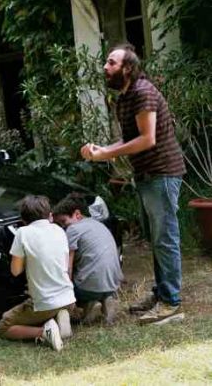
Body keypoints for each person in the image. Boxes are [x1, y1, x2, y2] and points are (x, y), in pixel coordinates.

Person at [81, 43, 186, 325]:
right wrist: (100, 151)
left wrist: (107, 154)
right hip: (146, 176)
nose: (105, 67)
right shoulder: (124, 98)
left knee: (165, 239)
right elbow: (130, 140)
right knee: (156, 239)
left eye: (111, 62)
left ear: (127, 68)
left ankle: (171, 303)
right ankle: (162, 293)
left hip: (163, 173)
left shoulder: (142, 92)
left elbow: (147, 139)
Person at [0, 195, 75, 352]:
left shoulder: (23, 233)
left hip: (45, 303)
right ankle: (60, 317)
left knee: (4, 326)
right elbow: (65, 265)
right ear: (50, 215)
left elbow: (15, 270)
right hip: (69, 299)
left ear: (23, 220)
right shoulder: (59, 230)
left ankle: (45, 332)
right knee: (49, 307)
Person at [53, 193, 123, 325]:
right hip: (113, 283)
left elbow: (68, 266)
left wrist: (64, 290)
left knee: (61, 283)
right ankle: (106, 299)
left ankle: (89, 304)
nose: (63, 227)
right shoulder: (98, 224)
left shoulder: (72, 229)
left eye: (63, 222)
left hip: (88, 288)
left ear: (77, 214)